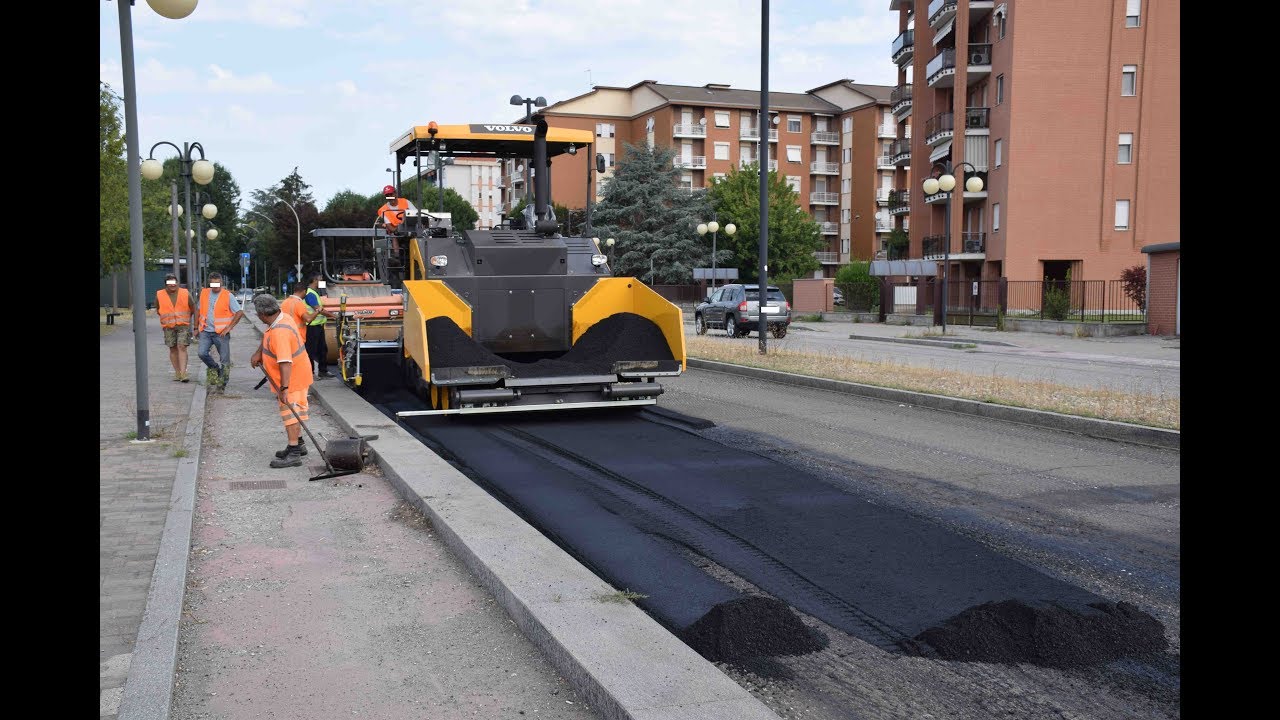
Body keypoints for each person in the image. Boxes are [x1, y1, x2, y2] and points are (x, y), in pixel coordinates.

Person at [249, 294, 315, 468]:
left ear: (262, 314)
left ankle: (294, 453)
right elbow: (267, 335)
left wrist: (285, 388)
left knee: (291, 415)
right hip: (297, 374)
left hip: (293, 378)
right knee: (294, 412)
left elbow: (286, 362)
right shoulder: (281, 317)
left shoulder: (280, 333)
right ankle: (298, 445)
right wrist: (259, 353)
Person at [195, 271, 245, 391]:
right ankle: (215, 369)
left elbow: (239, 312)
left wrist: (228, 328)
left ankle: (222, 382)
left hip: (221, 333)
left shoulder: (228, 296)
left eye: (218, 284)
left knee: (224, 359)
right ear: (209, 284)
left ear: (221, 283)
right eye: (213, 284)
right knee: (202, 353)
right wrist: (196, 327)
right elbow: (198, 310)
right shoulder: (204, 293)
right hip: (205, 330)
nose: (215, 287)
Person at [155, 274, 196, 382]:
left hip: (183, 325)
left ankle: (183, 373)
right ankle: (177, 372)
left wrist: (190, 321)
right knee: (173, 348)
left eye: (174, 282)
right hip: (168, 326)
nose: (172, 285)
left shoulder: (185, 293)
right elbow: (159, 309)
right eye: (170, 283)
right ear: (166, 285)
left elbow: (193, 308)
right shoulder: (159, 294)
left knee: (181, 346)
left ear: (177, 283)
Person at [303, 272, 332, 378]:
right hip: (311, 326)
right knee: (311, 350)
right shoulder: (310, 293)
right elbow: (318, 309)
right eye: (321, 279)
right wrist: (333, 316)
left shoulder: (314, 292)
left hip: (318, 326)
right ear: (315, 280)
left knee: (322, 349)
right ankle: (310, 373)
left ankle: (323, 371)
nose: (322, 281)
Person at [377, 184, 410, 253]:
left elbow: (416, 214)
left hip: (410, 229)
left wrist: (405, 217)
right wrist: (400, 226)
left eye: (391, 194)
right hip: (396, 232)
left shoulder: (405, 202)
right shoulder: (384, 210)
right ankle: (397, 257)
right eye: (387, 196)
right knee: (393, 235)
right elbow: (390, 228)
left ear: (395, 193)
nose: (390, 197)